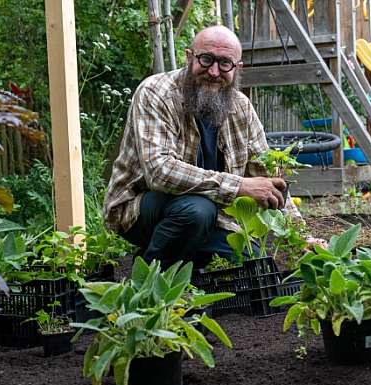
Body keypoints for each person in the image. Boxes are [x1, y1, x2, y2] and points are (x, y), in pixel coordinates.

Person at [104, 25, 319, 269]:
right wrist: (239, 186)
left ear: (237, 68)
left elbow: (268, 177)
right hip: (141, 208)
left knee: (253, 262)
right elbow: (159, 172)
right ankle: (152, 285)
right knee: (197, 211)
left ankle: (168, 256)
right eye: (206, 59)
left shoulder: (241, 107)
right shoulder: (156, 93)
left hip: (214, 217)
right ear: (189, 57)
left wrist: (301, 237)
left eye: (225, 63)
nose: (214, 72)